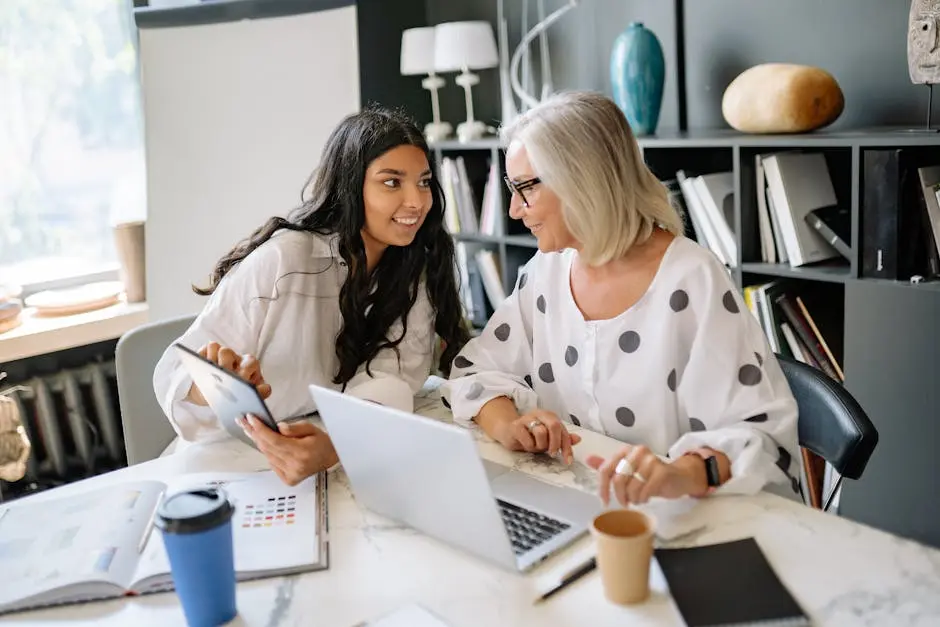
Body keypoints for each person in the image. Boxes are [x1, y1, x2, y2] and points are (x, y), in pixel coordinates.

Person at [441, 91, 800, 508]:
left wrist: (678, 472)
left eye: (525, 189)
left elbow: (760, 434)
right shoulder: (546, 272)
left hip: (683, 517)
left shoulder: (692, 279)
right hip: (577, 504)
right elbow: (475, 370)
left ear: (580, 181)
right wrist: (511, 425)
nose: (515, 209)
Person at [154, 107, 470, 485]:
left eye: (423, 182)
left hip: (322, 457)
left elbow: (394, 380)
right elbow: (174, 375)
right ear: (351, 186)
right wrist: (217, 384)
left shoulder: (412, 268)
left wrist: (338, 445)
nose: (417, 201)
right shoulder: (285, 259)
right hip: (229, 467)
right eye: (392, 182)